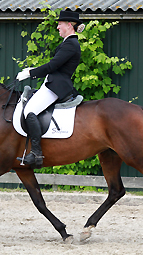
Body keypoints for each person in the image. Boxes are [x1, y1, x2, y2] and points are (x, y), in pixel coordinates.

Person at [16, 10, 85, 169]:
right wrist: (32, 69)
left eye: (60, 24)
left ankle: (36, 153)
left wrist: (30, 73)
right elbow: (55, 65)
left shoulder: (71, 44)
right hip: (52, 83)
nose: (58, 27)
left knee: (29, 111)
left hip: (56, 87)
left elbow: (52, 66)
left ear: (69, 25)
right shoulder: (68, 43)